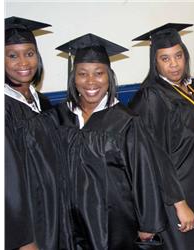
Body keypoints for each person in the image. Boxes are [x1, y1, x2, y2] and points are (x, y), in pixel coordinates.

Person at [54, 33, 185, 249]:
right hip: (69, 221)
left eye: (99, 73)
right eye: (82, 74)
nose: (91, 81)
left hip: (115, 222)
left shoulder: (125, 121)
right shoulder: (58, 117)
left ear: (109, 77)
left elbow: (144, 175)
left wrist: (147, 224)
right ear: (73, 78)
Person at [129, 23, 194, 250]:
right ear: (155, 62)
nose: (174, 64)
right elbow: (154, 156)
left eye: (178, 56)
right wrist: (179, 204)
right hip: (176, 196)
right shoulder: (152, 97)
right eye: (165, 58)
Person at [5, 16, 54, 250]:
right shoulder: (3, 108)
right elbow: (7, 182)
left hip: (51, 214)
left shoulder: (43, 103)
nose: (23, 62)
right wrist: (24, 239)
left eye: (30, 53)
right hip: (25, 226)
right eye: (12, 55)